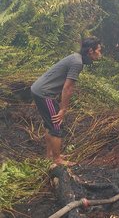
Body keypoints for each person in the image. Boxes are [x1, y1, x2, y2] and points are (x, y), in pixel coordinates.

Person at [31, 37, 102, 166]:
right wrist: (63, 109)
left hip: (39, 90)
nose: (100, 54)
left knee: (49, 124)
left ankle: (50, 155)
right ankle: (57, 160)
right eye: (99, 50)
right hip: (44, 94)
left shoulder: (75, 57)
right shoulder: (77, 63)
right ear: (91, 51)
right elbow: (68, 88)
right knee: (56, 125)